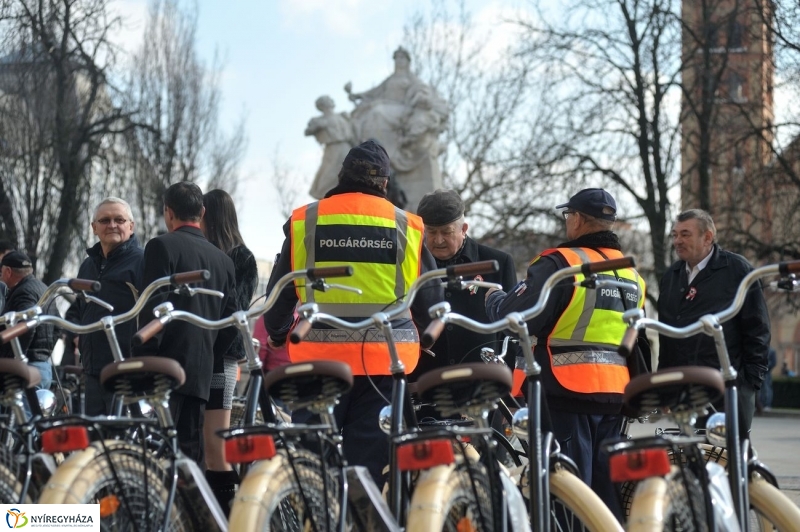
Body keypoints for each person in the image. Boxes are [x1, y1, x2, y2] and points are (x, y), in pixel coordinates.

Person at [263, 140, 443, 486]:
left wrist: (277, 331)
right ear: (385, 183)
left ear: (341, 175)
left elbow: (281, 292)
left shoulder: (307, 220)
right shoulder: (407, 226)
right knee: (368, 470)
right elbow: (430, 304)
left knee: (314, 465)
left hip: (320, 362)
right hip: (385, 363)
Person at [485, 188, 646, 520]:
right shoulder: (631, 275)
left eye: (568, 216)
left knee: (567, 487)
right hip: (615, 392)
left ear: (578, 220)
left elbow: (519, 316)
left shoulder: (561, 264)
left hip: (566, 389)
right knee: (604, 491)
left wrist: (494, 300)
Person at [134, 182, 238, 468]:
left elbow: (155, 308)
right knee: (190, 457)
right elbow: (231, 322)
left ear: (168, 212)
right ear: (201, 212)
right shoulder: (224, 261)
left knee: (153, 454)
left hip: (163, 369)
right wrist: (208, 353)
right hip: (200, 374)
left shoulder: (160, 246)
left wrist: (145, 361)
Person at [657, 209, 770, 438]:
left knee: (729, 460)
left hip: (728, 388)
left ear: (707, 237)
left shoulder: (738, 271)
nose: (677, 241)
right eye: (675, 234)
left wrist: (749, 383)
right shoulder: (671, 276)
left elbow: (758, 328)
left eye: (685, 234)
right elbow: (667, 336)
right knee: (691, 460)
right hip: (684, 389)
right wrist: (665, 387)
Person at [412, 189, 517, 379]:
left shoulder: (498, 263)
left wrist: (507, 381)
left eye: (446, 232)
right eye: (431, 232)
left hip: (482, 379)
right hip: (425, 381)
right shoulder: (411, 265)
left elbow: (511, 331)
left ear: (464, 229)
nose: (438, 240)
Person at [199, 188, 258, 514]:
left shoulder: (241, 257)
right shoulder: (208, 252)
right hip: (204, 355)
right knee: (204, 443)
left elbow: (237, 308)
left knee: (215, 444)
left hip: (222, 355)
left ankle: (227, 515)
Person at [64, 197, 143, 416]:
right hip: (91, 369)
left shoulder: (142, 262)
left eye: (119, 219)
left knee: (125, 441)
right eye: (105, 220)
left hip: (126, 368)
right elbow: (78, 309)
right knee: (95, 439)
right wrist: (74, 331)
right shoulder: (88, 265)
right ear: (94, 228)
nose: (112, 225)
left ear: (131, 226)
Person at [0, 251, 58, 390]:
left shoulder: (23, 292)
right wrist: (45, 352)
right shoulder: (44, 289)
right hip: (44, 368)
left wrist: (15, 359)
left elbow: (27, 326)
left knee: (22, 412)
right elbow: (58, 326)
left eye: (1, 271)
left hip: (25, 370)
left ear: (8, 271)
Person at [305, 95, 355, 199]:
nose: (332, 101)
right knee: (329, 172)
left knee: (349, 170)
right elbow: (307, 131)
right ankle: (323, 194)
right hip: (332, 148)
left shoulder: (342, 116)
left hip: (346, 146)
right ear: (322, 105)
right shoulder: (318, 120)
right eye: (328, 100)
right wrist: (319, 126)